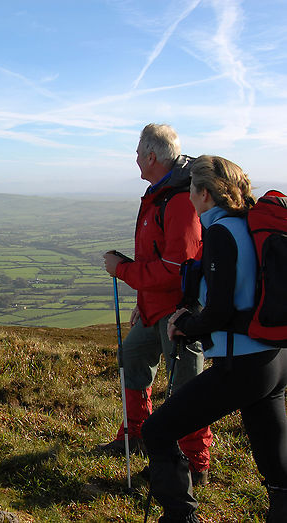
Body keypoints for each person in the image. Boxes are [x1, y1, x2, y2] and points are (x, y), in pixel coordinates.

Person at [142, 155, 287, 522]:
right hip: (275, 361)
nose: (187, 196)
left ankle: (180, 516)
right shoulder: (248, 227)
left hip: (242, 364)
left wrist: (184, 326)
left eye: (190, 188)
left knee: (158, 430)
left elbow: (220, 312)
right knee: (275, 463)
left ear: (204, 193)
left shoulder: (221, 233)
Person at [100, 124, 212, 485]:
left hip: (181, 312)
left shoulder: (179, 200)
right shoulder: (159, 195)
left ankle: (194, 463)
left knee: (186, 386)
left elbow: (176, 270)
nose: (134, 158)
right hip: (154, 309)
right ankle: (135, 436)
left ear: (152, 156)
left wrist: (123, 271)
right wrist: (142, 298)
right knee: (131, 355)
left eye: (137, 152)